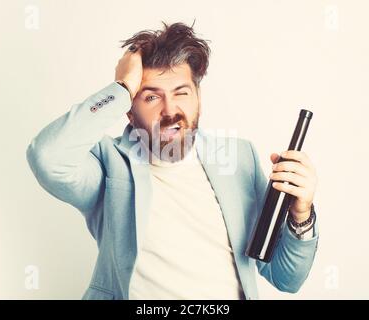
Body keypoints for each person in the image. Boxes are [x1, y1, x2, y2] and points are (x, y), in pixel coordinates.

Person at [26, 22, 319, 300]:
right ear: (129, 109)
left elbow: (286, 278)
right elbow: (46, 156)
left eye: (181, 93)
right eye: (151, 97)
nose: (170, 110)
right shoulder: (108, 163)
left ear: (198, 98)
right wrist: (121, 87)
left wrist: (301, 214)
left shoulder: (240, 159)